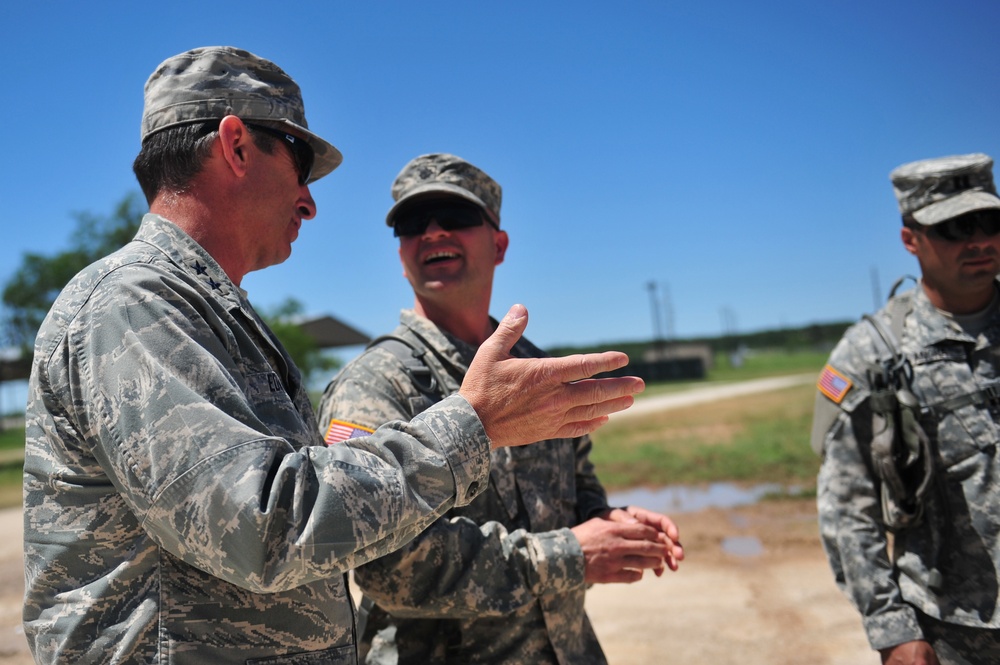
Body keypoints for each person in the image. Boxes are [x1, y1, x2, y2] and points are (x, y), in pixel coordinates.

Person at [21, 47, 645, 665]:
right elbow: (263, 528)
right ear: (236, 146)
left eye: (455, 216)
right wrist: (472, 426)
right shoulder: (135, 306)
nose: (310, 202)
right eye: (300, 166)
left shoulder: (209, 314)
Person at [318, 153, 684, 665]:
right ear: (400, 254)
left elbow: (576, 484)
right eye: (412, 223)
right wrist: (571, 555)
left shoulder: (534, 369)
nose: (433, 232)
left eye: (457, 216)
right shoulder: (376, 383)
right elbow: (384, 565)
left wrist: (608, 522)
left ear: (499, 244)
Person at [813, 152, 1000, 665]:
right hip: (958, 630)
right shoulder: (873, 353)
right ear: (910, 239)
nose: (978, 240)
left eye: (990, 221)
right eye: (956, 227)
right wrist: (892, 628)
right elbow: (848, 504)